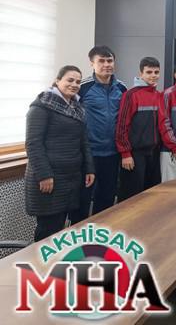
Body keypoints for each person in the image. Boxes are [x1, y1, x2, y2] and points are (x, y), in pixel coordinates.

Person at [25, 66, 94, 241]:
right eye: (70, 80)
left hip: (72, 177)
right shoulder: (42, 105)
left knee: (63, 230)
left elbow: (83, 141)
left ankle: (60, 257)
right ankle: (41, 259)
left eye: (78, 82)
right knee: (48, 229)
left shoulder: (77, 107)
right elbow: (33, 144)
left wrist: (89, 168)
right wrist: (44, 175)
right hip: (50, 178)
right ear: (57, 81)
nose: (74, 84)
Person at [69, 45, 126, 223]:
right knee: (82, 201)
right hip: (88, 154)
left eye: (110, 61)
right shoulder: (82, 87)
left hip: (112, 154)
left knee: (107, 199)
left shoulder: (122, 88)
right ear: (92, 63)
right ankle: (78, 235)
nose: (106, 64)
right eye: (101, 61)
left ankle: (101, 233)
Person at [115, 57, 166, 201]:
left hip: (153, 153)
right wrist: (125, 154)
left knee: (151, 196)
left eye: (156, 72)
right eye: (149, 72)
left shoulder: (157, 95)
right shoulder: (130, 95)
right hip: (134, 155)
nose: (153, 75)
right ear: (141, 73)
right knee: (131, 197)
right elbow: (122, 126)